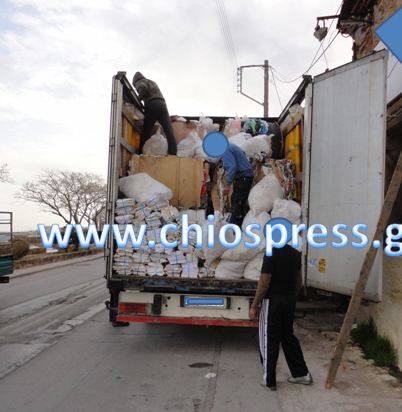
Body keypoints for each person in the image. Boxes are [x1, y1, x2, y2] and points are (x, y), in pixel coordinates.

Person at [249, 241, 312, 391]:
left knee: (269, 338)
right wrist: (291, 297)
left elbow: (264, 283)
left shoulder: (271, 253)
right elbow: (299, 282)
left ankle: (269, 380)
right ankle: (301, 374)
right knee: (287, 336)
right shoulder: (295, 254)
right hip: (289, 300)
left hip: (273, 302)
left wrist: (254, 305)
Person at [132, 72, 177, 155]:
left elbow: (143, 89)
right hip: (162, 104)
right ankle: (173, 154)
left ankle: (141, 153)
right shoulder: (151, 82)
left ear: (135, 82)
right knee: (169, 132)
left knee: (146, 130)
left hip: (152, 104)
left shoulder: (140, 82)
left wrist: (137, 99)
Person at [221, 143, 254, 227]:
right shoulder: (229, 146)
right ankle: (237, 225)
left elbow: (232, 167)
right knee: (238, 201)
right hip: (245, 176)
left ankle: (234, 228)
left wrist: (228, 184)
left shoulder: (225, 150)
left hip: (244, 176)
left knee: (237, 202)